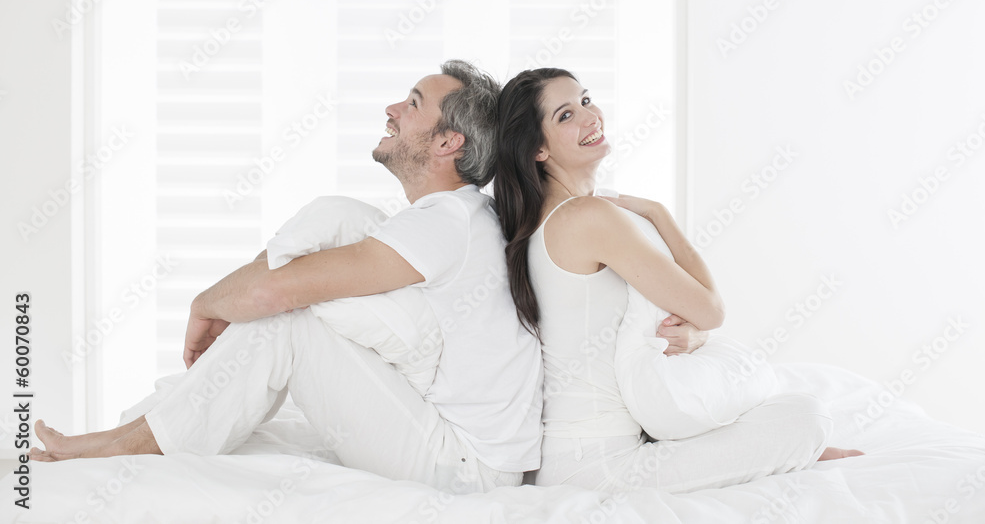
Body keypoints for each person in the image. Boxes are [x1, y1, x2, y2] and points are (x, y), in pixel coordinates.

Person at [31, 60, 544, 495]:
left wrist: (204, 305)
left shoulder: (447, 222)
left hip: (466, 469)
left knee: (288, 318)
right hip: (461, 448)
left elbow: (271, 292)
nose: (392, 109)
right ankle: (137, 430)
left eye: (412, 104)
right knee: (340, 220)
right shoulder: (454, 217)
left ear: (448, 141)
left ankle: (132, 445)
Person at [493, 67, 861, 494]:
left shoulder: (556, 218)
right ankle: (795, 449)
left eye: (586, 100)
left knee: (785, 415)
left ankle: (791, 452)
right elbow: (710, 310)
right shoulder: (585, 216)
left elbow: (656, 322)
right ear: (537, 149)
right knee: (808, 417)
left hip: (589, 453)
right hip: (597, 465)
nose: (590, 117)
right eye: (565, 115)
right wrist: (659, 214)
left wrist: (694, 337)